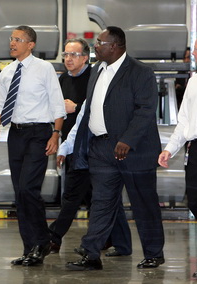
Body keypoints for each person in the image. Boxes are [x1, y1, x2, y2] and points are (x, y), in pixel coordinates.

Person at [66, 26, 165, 271]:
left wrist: (127, 140)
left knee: (144, 204)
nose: (96, 46)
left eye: (100, 42)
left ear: (115, 46)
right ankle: (91, 254)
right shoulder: (97, 70)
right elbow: (92, 109)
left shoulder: (141, 72)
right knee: (101, 203)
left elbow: (145, 110)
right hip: (101, 148)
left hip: (134, 150)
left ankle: (154, 253)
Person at [0, 25, 66, 266]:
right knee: (20, 193)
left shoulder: (44, 69)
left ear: (31, 45)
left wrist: (55, 135)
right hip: (17, 134)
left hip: (39, 133)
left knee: (28, 189)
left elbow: (57, 104)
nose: (12, 43)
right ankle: (30, 247)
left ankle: (41, 242)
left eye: (18, 39)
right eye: (12, 39)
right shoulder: (7, 71)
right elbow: (1, 103)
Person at [48, 38, 132, 257]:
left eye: (73, 55)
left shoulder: (94, 77)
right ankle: (116, 241)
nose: (68, 59)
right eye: (65, 55)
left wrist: (74, 107)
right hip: (72, 144)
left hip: (91, 145)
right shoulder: (62, 80)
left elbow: (92, 111)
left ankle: (54, 238)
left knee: (77, 196)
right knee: (100, 197)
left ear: (85, 58)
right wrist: (62, 143)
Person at [158, 34, 197, 280]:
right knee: (196, 202)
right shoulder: (193, 82)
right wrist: (170, 148)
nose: (192, 54)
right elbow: (183, 122)